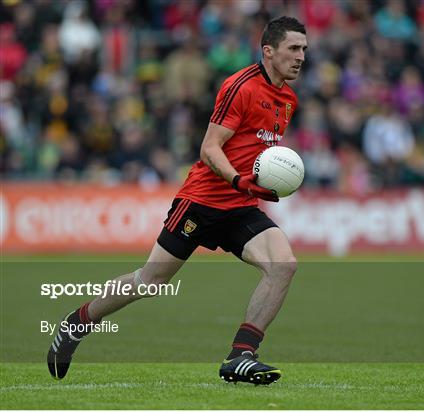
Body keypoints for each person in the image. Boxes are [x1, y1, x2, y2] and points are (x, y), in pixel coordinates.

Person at [47, 16, 308, 386]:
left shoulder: (288, 100)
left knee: (284, 265)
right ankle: (78, 322)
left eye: (304, 50)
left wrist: (262, 182)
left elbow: (262, 154)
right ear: (269, 51)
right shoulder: (241, 86)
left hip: (240, 206)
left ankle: (241, 356)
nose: (300, 57)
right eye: (293, 48)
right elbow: (209, 148)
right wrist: (237, 178)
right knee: (151, 281)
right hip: (201, 199)